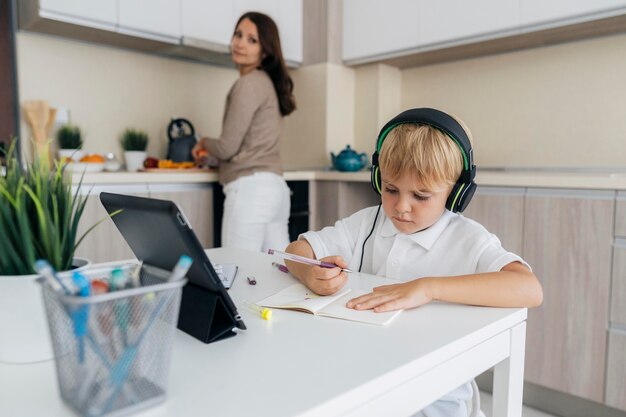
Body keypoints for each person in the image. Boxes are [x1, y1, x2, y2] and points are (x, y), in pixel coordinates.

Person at [284, 108, 543, 417]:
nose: (401, 207)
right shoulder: (366, 222)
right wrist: (309, 274)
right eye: (391, 189)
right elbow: (296, 250)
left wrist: (428, 288)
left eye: (421, 196)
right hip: (365, 383)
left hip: (435, 402)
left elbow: (529, 289)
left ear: (456, 192)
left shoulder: (467, 238)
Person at [192, 11, 296, 252]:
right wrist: (211, 156)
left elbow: (228, 147)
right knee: (280, 270)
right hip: (275, 189)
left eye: (252, 39)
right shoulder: (266, 83)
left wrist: (203, 142)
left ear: (265, 51)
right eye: (238, 35)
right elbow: (247, 145)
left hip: (251, 191)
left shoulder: (248, 84)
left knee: (236, 270)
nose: (240, 43)